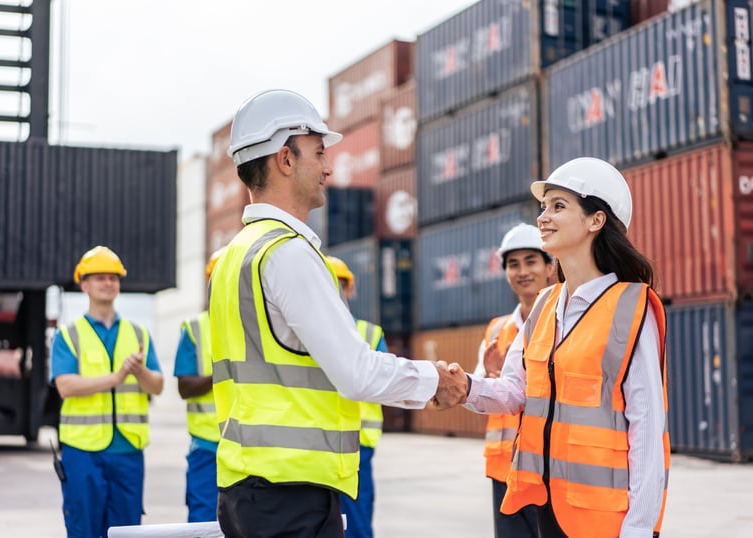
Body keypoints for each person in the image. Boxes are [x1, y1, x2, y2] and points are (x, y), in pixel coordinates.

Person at [210, 88, 465, 538]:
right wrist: (433, 382)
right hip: (290, 494)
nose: (329, 167)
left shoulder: (235, 255)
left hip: (248, 489)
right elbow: (355, 372)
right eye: (320, 152)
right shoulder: (287, 253)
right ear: (285, 159)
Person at [437, 157, 670, 538]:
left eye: (558, 206)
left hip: (606, 518)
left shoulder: (632, 307)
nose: (543, 218)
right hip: (548, 507)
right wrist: (465, 386)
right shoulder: (546, 305)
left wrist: (641, 528)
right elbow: (516, 390)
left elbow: (647, 427)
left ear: (596, 220)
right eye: (543, 208)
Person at [50, 245, 164, 538]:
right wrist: (117, 377)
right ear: (84, 284)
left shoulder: (138, 334)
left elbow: (158, 385)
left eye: (113, 277)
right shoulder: (68, 335)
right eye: (99, 277)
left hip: (127, 450)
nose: (108, 283)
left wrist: (139, 372)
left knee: (126, 532)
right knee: (83, 529)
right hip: (83, 452)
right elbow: (66, 386)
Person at [473, 223, 553, 537]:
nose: (522, 272)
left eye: (531, 262)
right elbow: (476, 392)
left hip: (552, 468)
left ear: (550, 267)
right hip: (505, 470)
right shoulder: (496, 331)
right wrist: (488, 376)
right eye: (513, 264)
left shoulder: (568, 322)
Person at [327, 255, 386, 538]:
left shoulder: (371, 333)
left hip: (359, 446)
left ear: (350, 289)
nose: (336, 290)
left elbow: (386, 381)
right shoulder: (309, 331)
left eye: (340, 284)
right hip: (319, 445)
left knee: (358, 524)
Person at [173, 247, 226, 522]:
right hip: (207, 446)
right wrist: (220, 373)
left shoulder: (258, 325)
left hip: (252, 448)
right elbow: (185, 387)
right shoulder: (195, 329)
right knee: (203, 522)